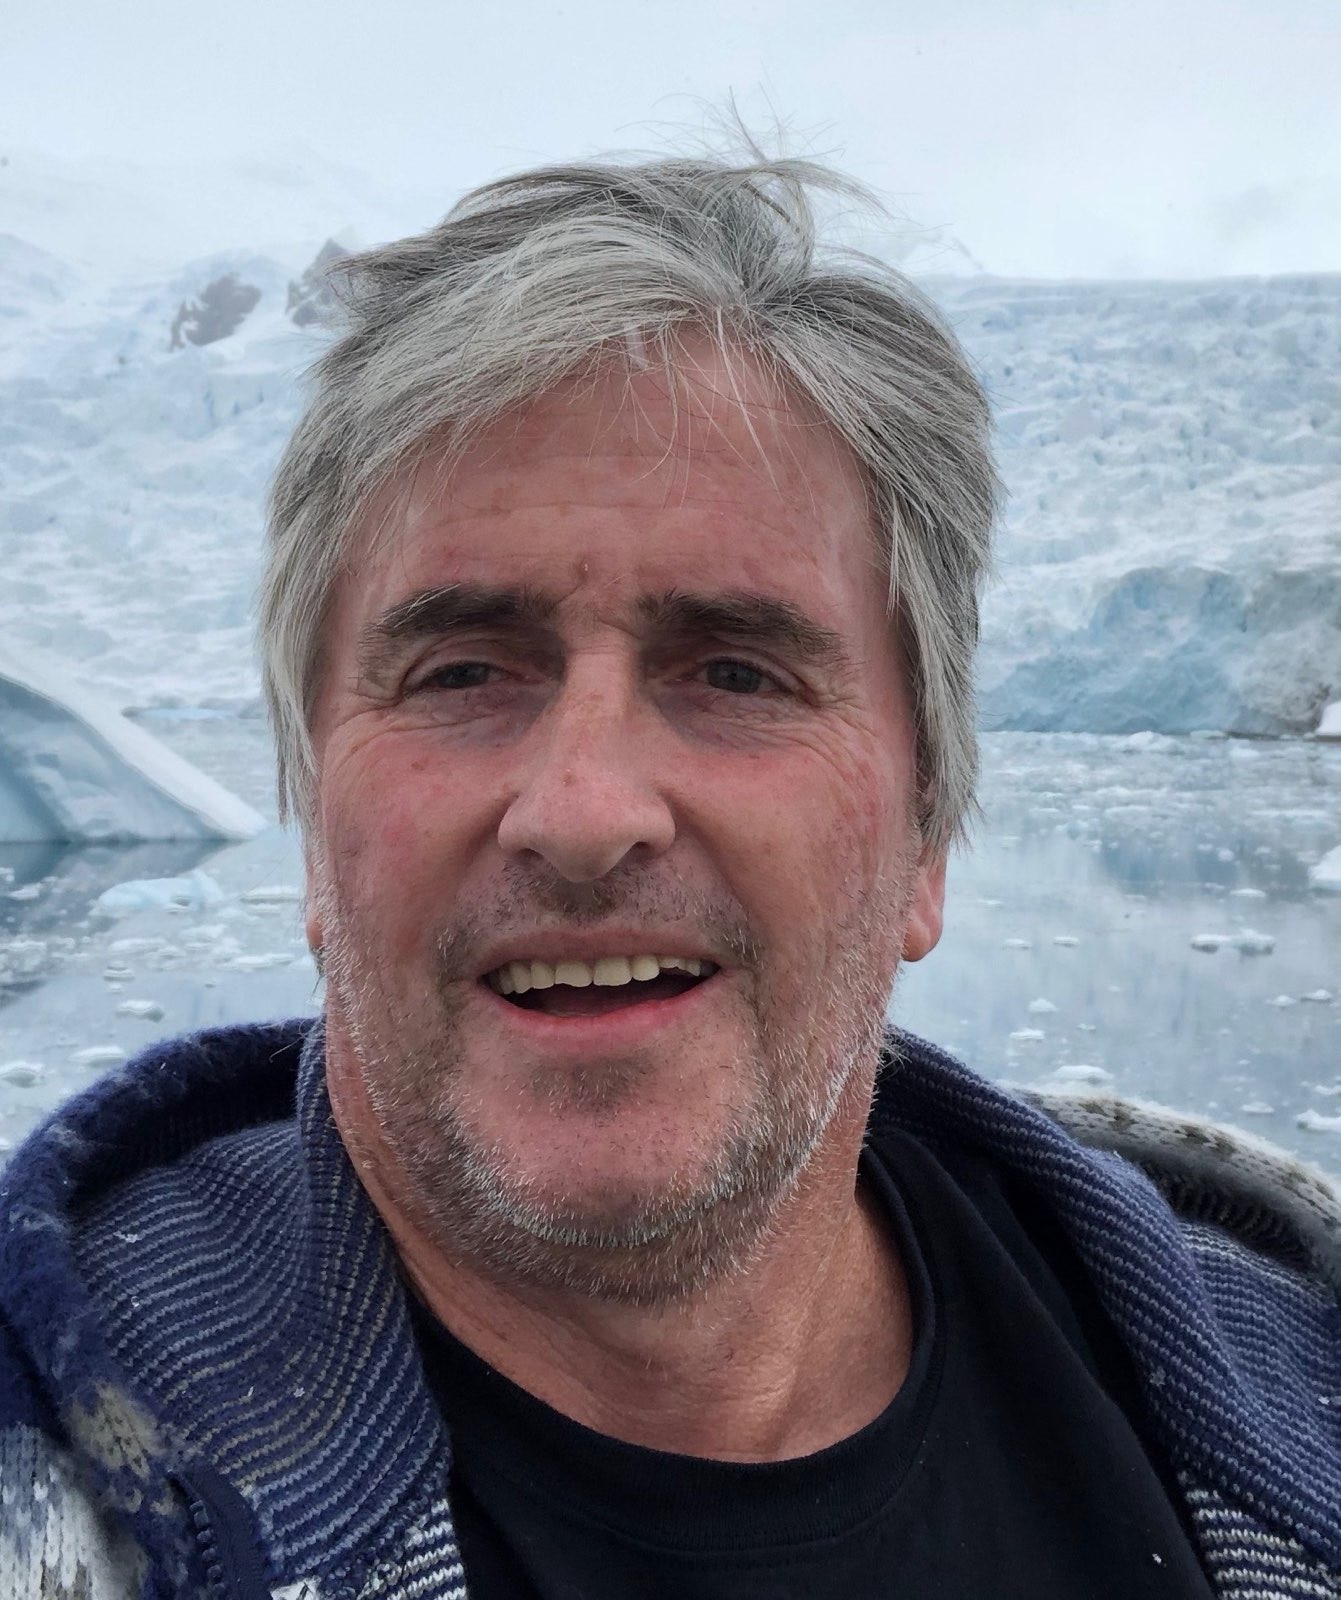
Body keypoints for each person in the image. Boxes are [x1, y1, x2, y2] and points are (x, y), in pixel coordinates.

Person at [0, 148, 1337, 1600]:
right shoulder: (54, 1446)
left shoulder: (1290, 1375)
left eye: (736, 672)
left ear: (926, 834)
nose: (583, 812)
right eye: (462, 671)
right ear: (315, 818)